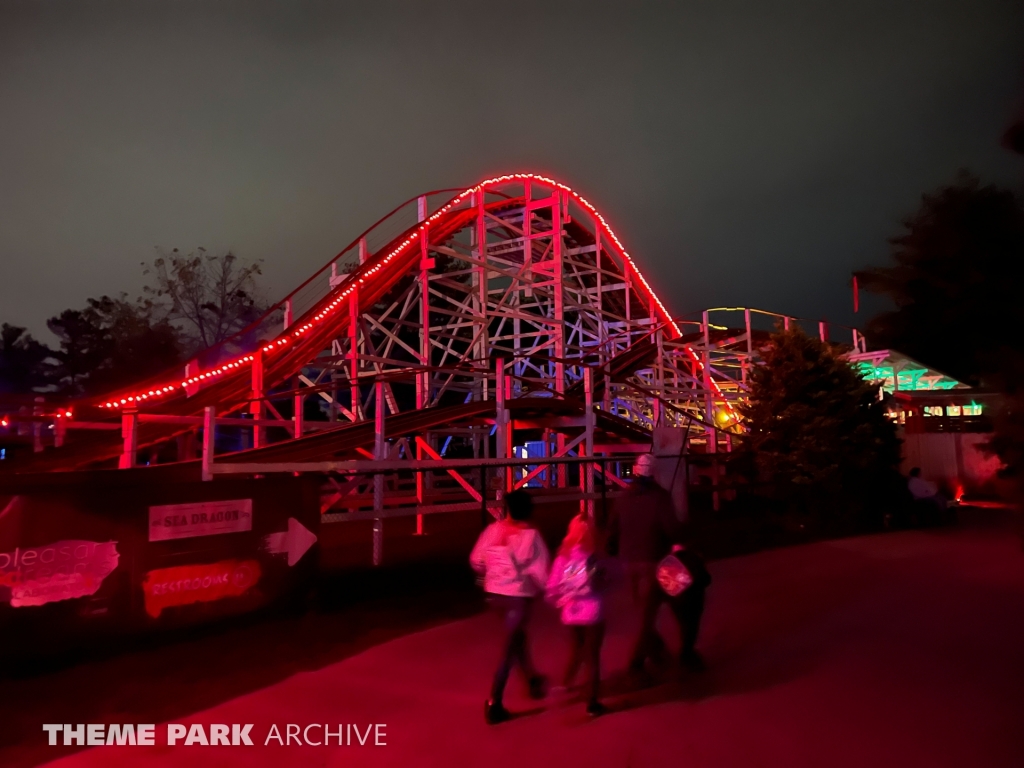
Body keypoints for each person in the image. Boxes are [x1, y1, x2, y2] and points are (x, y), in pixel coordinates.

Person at [610, 452, 710, 676]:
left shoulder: (622, 499)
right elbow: (673, 530)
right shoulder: (660, 497)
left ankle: (654, 654)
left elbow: (612, 530)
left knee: (645, 614)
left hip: (630, 563)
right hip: (660, 564)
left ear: (635, 470)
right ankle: (678, 655)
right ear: (653, 471)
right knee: (687, 609)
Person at [470, 489, 551, 725]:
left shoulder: (493, 530)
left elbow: (476, 559)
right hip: (517, 597)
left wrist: (491, 572)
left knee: (517, 638)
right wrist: (550, 592)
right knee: (510, 647)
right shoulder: (530, 536)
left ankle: (533, 680)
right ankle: (495, 701)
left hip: (495, 596)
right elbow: (540, 571)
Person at [545, 513, 609, 717]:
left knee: (577, 648)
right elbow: (610, 581)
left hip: (571, 612)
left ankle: (566, 684)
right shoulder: (597, 556)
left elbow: (552, 587)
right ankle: (592, 702)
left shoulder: (563, 557)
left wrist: (560, 600)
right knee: (593, 656)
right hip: (593, 611)